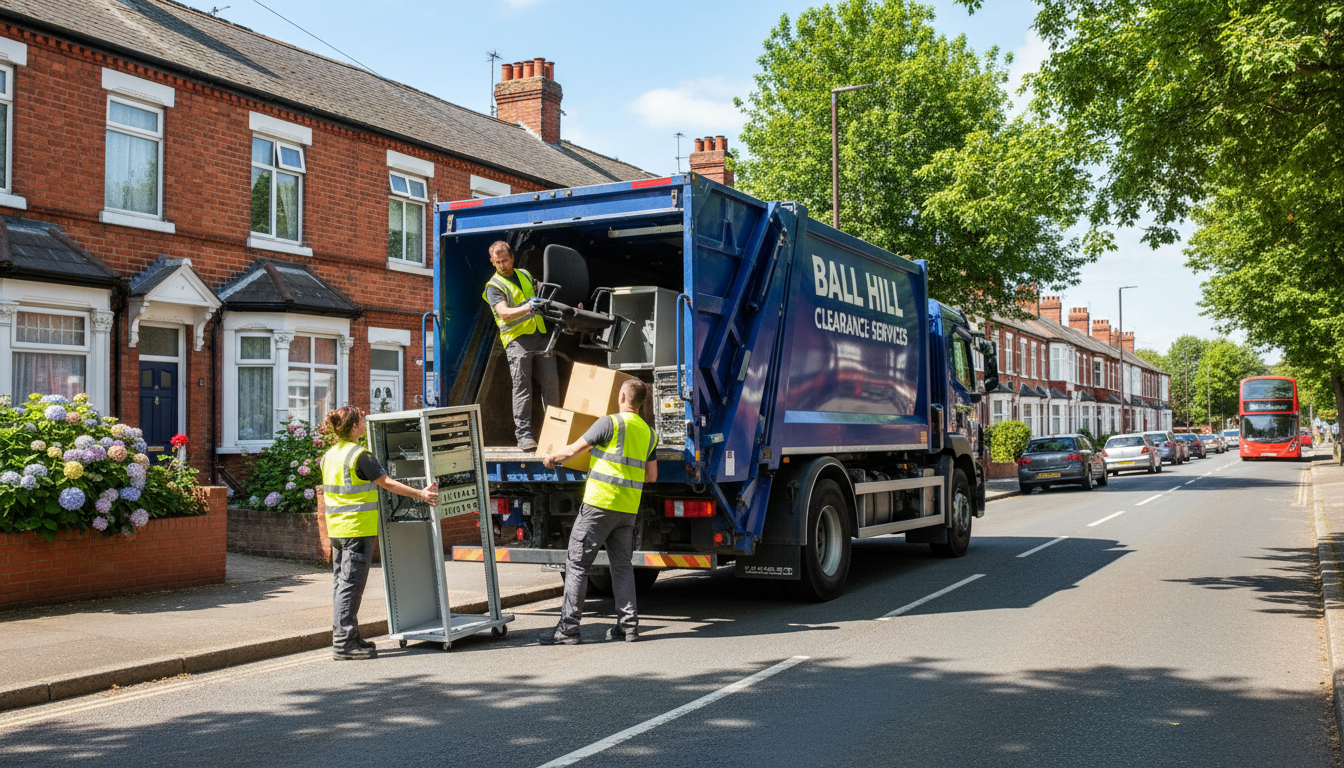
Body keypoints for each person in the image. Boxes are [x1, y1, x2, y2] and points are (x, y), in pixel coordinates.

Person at [539, 379, 657, 644]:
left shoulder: (609, 423)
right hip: (627, 509)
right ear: (641, 403)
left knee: (577, 565)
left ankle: (568, 630)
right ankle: (628, 627)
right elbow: (652, 476)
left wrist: (552, 457)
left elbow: (574, 450)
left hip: (599, 505)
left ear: (622, 397)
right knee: (622, 567)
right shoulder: (650, 434)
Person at [319, 406, 438, 660]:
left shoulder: (329, 455)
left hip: (337, 529)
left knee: (342, 584)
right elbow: (388, 483)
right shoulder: (360, 455)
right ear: (354, 426)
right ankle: (344, 643)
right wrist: (421, 494)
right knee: (350, 586)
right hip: (357, 528)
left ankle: (349, 636)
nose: (365, 422)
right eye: (362, 419)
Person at [482, 240, 560, 452]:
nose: (502, 265)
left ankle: (555, 432)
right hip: (517, 341)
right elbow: (504, 313)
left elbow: (543, 293)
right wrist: (528, 307)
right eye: (498, 262)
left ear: (512, 257)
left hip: (540, 335)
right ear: (492, 262)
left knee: (551, 384)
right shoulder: (494, 286)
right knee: (522, 387)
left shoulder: (524, 274)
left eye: (505, 260)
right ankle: (524, 436)